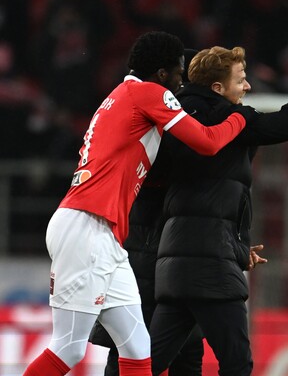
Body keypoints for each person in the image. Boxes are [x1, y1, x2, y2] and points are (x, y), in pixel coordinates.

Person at [23, 31, 256, 376]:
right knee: (68, 348)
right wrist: (241, 118)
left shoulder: (120, 95)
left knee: (137, 347)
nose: (181, 81)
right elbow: (207, 142)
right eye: (178, 72)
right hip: (86, 227)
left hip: (103, 233)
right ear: (162, 73)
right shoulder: (150, 93)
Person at [148, 46, 288, 375]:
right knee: (237, 364)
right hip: (213, 268)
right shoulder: (231, 119)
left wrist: (235, 247)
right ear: (217, 88)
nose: (247, 86)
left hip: (174, 266)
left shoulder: (172, 118)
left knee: (148, 364)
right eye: (240, 80)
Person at [88, 49, 205, 376]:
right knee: (132, 348)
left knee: (181, 351)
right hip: (149, 249)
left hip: (164, 251)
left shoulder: (155, 114)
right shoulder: (159, 119)